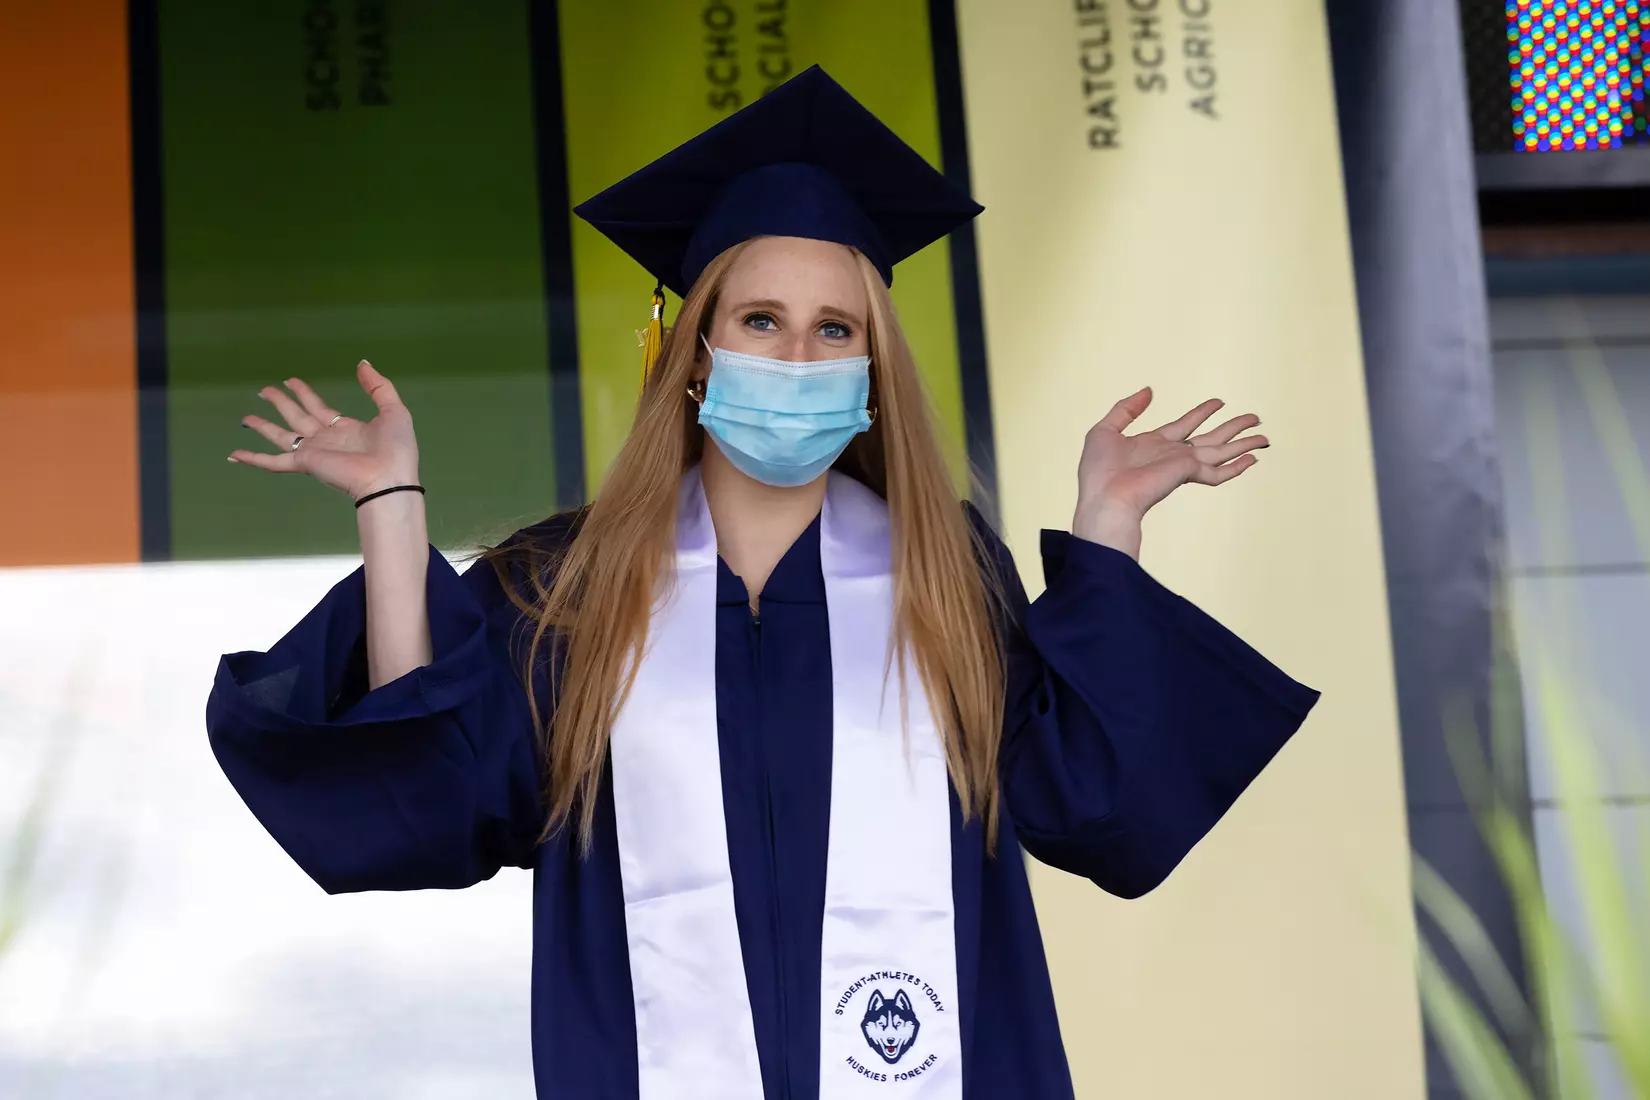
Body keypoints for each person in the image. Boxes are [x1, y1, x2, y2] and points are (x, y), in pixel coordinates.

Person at [208, 66, 1318, 1100]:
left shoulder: (944, 578)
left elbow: (1099, 808)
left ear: (871, 366)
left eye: (833, 329)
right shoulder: (568, 587)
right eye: (760, 322)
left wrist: (1109, 524)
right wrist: (390, 503)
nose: (796, 359)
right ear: (696, 350)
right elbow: (421, 796)